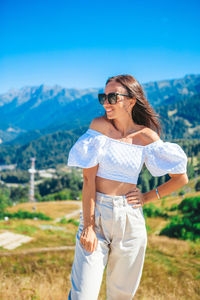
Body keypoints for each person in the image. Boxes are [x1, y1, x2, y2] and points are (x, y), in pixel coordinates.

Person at [67, 74, 188, 300]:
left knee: (121, 297)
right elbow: (88, 180)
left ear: (131, 101)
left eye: (112, 97)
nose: (106, 103)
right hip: (97, 218)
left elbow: (181, 178)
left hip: (130, 222)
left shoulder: (146, 137)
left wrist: (148, 197)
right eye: (103, 96)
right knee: (82, 295)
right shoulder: (99, 127)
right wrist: (89, 226)